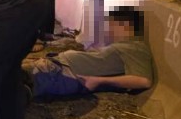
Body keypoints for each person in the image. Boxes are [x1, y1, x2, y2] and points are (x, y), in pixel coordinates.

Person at [24, 7, 153, 97]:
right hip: (56, 67)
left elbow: (144, 81)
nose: (108, 29)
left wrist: (98, 80)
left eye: (111, 24)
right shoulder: (124, 45)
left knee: (17, 79)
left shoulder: (135, 47)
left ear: (126, 25)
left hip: (62, 74)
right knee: (16, 71)